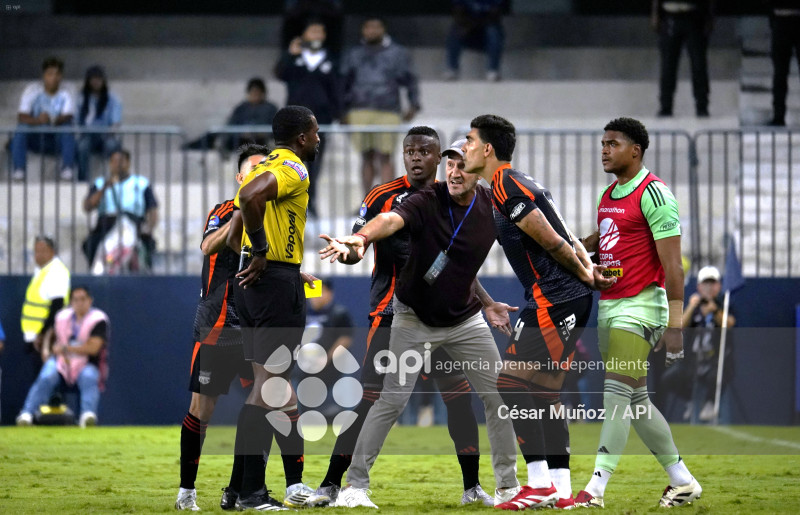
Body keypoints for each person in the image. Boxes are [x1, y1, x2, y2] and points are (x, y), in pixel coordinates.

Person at [319, 134, 521, 510]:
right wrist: (360, 240)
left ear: (479, 167)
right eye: (451, 163)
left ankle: (506, 488)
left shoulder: (494, 205)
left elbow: (466, 262)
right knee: (389, 401)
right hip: (410, 317)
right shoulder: (427, 199)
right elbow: (390, 219)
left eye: (462, 163)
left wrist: (489, 302)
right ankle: (351, 486)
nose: (455, 170)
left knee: (500, 396)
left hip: (464, 319)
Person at [461, 114, 614, 510]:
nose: (464, 148)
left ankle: (539, 484)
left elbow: (552, 242)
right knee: (545, 392)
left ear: (488, 148)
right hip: (563, 295)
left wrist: (586, 274)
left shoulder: (506, 185)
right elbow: (565, 233)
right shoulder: (520, 181)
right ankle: (561, 491)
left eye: (469, 141)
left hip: (555, 297)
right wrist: (589, 271)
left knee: (510, 383)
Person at [574, 117, 702, 508]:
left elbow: (674, 266)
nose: (604, 150)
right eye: (603, 143)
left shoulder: (655, 193)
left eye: (613, 144)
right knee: (637, 402)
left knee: (614, 395)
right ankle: (683, 481)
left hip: (641, 307)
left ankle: (594, 489)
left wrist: (676, 323)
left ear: (636, 151)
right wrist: (573, 248)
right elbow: (603, 244)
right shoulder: (610, 195)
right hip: (610, 307)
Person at [223, 106, 326, 511]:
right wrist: (269, 257)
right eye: (315, 133)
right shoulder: (293, 167)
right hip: (273, 285)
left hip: (255, 287)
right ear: (301, 137)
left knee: (268, 389)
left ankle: (236, 490)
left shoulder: (261, 165)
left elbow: (233, 235)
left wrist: (260, 256)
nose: (318, 139)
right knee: (269, 391)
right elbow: (250, 198)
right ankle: (251, 493)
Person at [175, 146, 261, 511]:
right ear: (240, 178)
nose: (260, 174)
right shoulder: (226, 210)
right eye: (254, 169)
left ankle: (239, 491)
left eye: (266, 168)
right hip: (219, 324)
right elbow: (209, 244)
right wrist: (241, 213)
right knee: (201, 411)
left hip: (257, 324)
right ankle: (187, 492)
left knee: (269, 402)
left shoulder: (276, 215)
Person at [341, 17, 421, 197]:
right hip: (359, 109)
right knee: (366, 156)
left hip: (388, 109)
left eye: (376, 27)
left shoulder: (397, 53)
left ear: (384, 29)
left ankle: (387, 199)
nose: (372, 31)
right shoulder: (353, 54)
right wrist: (342, 111)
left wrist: (413, 104)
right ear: (362, 30)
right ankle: (368, 201)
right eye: (368, 27)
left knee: (385, 156)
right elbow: (343, 83)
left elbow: (410, 80)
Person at [16, 286, 109, 428]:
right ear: (71, 302)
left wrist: (65, 348)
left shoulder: (98, 319)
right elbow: (50, 333)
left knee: (89, 376)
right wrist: (46, 350)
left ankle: (87, 416)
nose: (79, 303)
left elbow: (93, 348)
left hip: (86, 363)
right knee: (47, 375)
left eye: (83, 299)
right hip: (61, 361)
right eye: (76, 299)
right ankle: (27, 414)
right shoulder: (62, 317)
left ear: (90, 301)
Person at [275, 19, 342, 217]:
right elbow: (280, 74)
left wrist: (337, 114)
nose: (317, 36)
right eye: (312, 31)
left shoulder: (331, 59)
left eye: (320, 32)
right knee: (292, 163)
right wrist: (289, 55)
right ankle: (290, 203)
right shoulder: (295, 57)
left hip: (320, 122)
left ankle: (309, 203)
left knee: (314, 165)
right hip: (295, 122)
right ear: (303, 35)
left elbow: (336, 90)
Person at [82, 149, 158, 273]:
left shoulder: (141, 183)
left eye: (121, 161)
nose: (117, 164)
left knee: (147, 245)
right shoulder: (100, 183)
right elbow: (88, 206)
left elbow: (152, 210)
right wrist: (104, 188)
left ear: (128, 163)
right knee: (90, 244)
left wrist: (148, 228)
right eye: (114, 161)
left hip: (134, 224)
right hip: (107, 225)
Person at [679, 265, 735, 421]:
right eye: (705, 284)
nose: (709, 288)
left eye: (713, 284)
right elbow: (680, 326)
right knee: (672, 376)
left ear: (719, 286)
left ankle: (710, 403)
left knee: (716, 374)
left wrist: (715, 310)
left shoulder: (724, 303)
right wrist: (691, 306)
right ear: (698, 286)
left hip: (717, 361)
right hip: (694, 361)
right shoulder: (694, 306)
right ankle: (690, 401)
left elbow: (729, 323)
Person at [10, 56, 77, 181]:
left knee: (67, 127)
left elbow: (68, 115)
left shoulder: (67, 91)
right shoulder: (32, 90)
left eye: (57, 74)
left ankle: (67, 168)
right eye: (50, 74)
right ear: (44, 76)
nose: (54, 78)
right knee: (21, 128)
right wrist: (38, 121)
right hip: (36, 138)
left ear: (61, 76)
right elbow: (22, 116)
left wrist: (50, 119)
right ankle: (19, 170)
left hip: (56, 140)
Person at [296, 278, 353, 418]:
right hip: (307, 367)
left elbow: (345, 338)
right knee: (306, 402)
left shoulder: (338, 313)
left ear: (329, 293)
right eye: (312, 293)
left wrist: (326, 358)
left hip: (331, 368)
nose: (314, 298)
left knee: (335, 403)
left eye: (319, 292)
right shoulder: (305, 314)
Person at [651, 0, 715, 117]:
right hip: (670, 14)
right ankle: (666, 106)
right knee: (668, 65)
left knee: (698, 64)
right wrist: (655, 13)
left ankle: (702, 106)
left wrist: (710, 17)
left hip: (693, 14)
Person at [186, 78, 279, 152]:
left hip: (259, 142)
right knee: (213, 133)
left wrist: (255, 132)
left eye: (257, 93)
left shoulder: (270, 108)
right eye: (252, 93)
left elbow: (272, 129)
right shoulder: (242, 108)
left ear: (263, 94)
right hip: (239, 140)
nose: (254, 96)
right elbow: (231, 124)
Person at [21, 235, 71, 369]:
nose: (38, 255)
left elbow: (57, 307)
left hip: (46, 339)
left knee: (46, 381)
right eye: (36, 251)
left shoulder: (56, 272)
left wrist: (43, 335)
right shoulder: (42, 271)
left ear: (52, 252)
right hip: (35, 337)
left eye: (43, 250)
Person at [76, 65, 123, 181]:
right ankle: (82, 180)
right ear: (88, 81)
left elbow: (116, 123)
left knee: (112, 145)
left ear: (103, 80)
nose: (96, 82)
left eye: (99, 79)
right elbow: (76, 122)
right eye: (93, 79)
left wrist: (107, 133)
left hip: (106, 135)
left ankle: (113, 179)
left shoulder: (113, 99)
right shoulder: (81, 98)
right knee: (82, 147)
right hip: (87, 136)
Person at [444, 0, 507, 82]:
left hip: (486, 30)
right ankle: (452, 69)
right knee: (456, 31)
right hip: (469, 32)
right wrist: (466, 26)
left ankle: (493, 70)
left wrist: (471, 25)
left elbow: (494, 16)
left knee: (493, 32)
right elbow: (458, 13)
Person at [768, 0, 800, 126]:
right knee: (779, 73)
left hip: (785, 19)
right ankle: (778, 115)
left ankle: (778, 115)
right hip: (780, 18)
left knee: (780, 73)